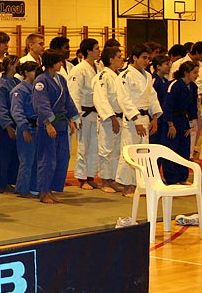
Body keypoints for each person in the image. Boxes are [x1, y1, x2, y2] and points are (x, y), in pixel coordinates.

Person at [32, 49, 80, 204]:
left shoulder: (60, 79)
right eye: (59, 61)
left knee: (61, 158)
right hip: (48, 126)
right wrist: (47, 123)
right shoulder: (41, 80)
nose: (62, 64)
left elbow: (68, 101)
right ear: (52, 63)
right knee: (47, 159)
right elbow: (41, 104)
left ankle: (51, 190)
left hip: (61, 123)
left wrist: (72, 119)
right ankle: (43, 192)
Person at [115, 43, 163, 197]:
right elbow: (124, 100)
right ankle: (127, 185)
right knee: (129, 150)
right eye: (143, 57)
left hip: (145, 117)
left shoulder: (148, 76)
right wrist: (136, 120)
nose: (146, 61)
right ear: (134, 58)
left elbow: (152, 97)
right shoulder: (125, 75)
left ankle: (139, 184)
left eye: (148, 58)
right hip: (132, 119)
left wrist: (155, 117)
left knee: (143, 152)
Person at [68, 38, 101, 190]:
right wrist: (75, 116)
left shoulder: (98, 67)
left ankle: (91, 175)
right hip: (84, 113)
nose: (98, 51)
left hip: (96, 112)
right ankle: (82, 178)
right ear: (88, 51)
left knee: (95, 146)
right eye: (96, 48)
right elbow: (74, 93)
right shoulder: (78, 69)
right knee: (83, 146)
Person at [92, 46, 124, 194]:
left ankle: (112, 180)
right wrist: (112, 118)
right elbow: (101, 99)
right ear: (111, 60)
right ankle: (104, 181)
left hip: (119, 116)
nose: (121, 59)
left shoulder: (118, 76)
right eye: (119, 56)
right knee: (106, 150)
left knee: (117, 151)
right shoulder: (103, 76)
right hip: (108, 119)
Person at [161, 61, 199, 185]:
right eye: (194, 73)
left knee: (184, 149)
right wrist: (170, 125)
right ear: (186, 73)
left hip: (184, 120)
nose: (196, 75)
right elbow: (167, 106)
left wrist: (191, 125)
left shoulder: (193, 87)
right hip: (172, 119)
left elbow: (193, 108)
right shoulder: (174, 85)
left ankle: (183, 177)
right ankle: (172, 178)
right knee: (172, 149)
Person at [0, 55, 20, 193]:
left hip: (15, 123)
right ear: (10, 66)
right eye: (17, 63)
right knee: (3, 155)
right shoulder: (1, 83)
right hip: (3, 126)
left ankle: (9, 181)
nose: (19, 65)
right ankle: (0, 183)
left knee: (13, 156)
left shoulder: (15, 81)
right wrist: (8, 125)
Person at [11, 61, 40, 198]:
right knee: (26, 160)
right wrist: (24, 129)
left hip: (37, 127)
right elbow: (17, 112)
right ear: (26, 72)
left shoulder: (37, 88)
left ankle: (34, 187)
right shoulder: (19, 90)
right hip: (26, 127)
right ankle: (22, 189)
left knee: (36, 160)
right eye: (34, 70)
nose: (37, 73)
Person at [150, 55, 171, 145]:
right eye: (166, 64)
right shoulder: (154, 80)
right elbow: (152, 100)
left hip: (164, 116)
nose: (169, 67)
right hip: (156, 117)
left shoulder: (166, 81)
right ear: (158, 66)